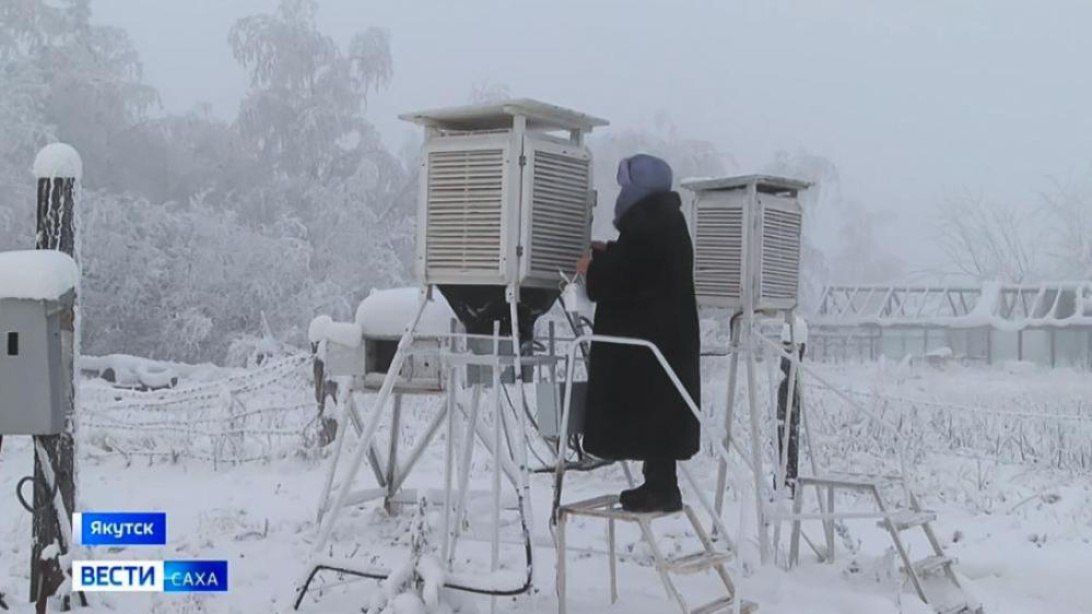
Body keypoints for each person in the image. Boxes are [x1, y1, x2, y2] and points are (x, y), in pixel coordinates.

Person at [575, 154, 701, 513]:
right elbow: (643, 266)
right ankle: (660, 486)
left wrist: (594, 269)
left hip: (648, 344)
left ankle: (660, 490)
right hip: (664, 340)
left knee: (652, 411)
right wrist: (611, 252)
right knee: (659, 415)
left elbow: (626, 277)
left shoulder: (648, 222)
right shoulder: (664, 219)